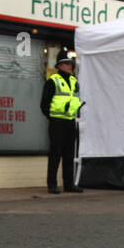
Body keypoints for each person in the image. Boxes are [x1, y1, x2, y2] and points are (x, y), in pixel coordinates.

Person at [41, 50, 83, 193]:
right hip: (57, 121)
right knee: (55, 154)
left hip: (70, 121)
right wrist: (52, 117)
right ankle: (52, 185)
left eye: (70, 63)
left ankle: (69, 184)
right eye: (66, 63)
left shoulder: (74, 81)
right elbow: (44, 104)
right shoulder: (53, 81)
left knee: (69, 154)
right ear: (59, 65)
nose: (69, 66)